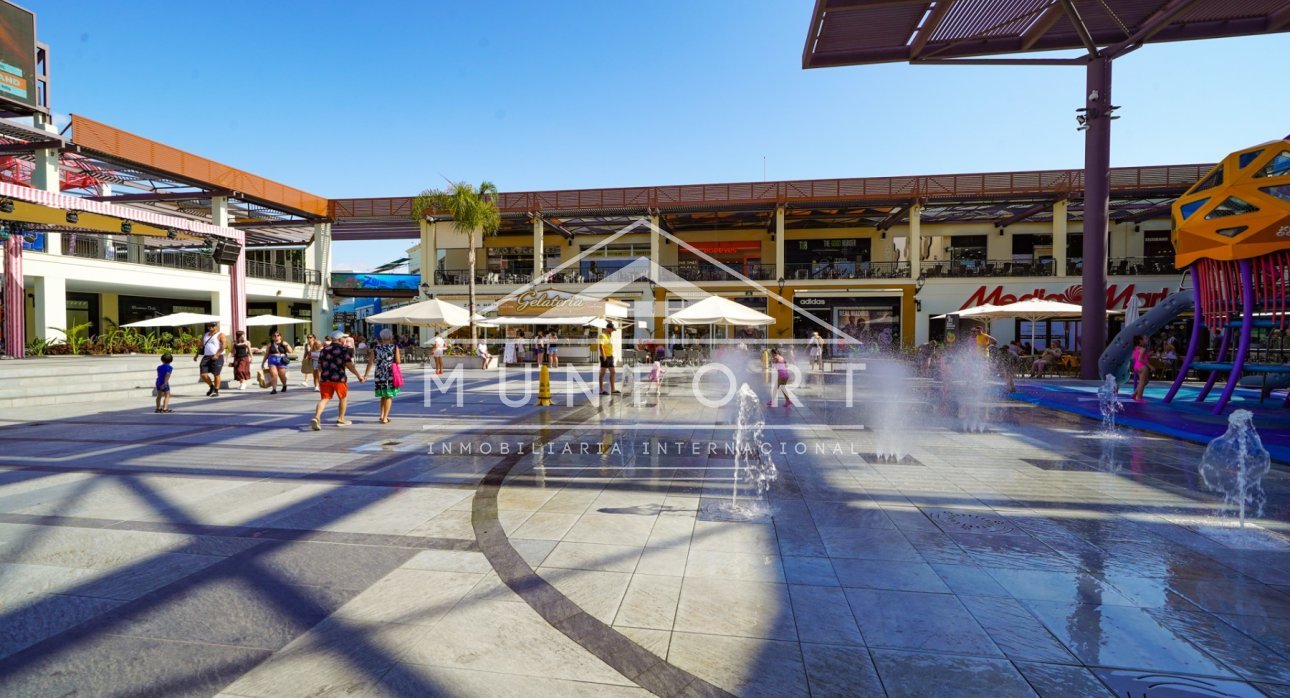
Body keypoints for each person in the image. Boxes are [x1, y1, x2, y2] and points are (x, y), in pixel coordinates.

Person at [311, 330, 363, 430]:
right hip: (339, 378)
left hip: (325, 378)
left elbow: (319, 366)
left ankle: (316, 417)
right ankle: (341, 418)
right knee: (343, 398)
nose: (345, 340)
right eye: (344, 338)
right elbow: (349, 365)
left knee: (324, 399)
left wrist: (325, 372)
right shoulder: (343, 350)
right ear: (339, 340)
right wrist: (358, 376)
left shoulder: (324, 350)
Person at [364, 328, 402, 424]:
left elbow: (370, 362)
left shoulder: (376, 348)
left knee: (382, 394)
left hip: (379, 373)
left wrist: (366, 375)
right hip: (389, 373)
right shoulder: (394, 347)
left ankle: (381, 415)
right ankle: (385, 418)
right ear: (390, 337)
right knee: (388, 395)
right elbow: (398, 361)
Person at [194, 321, 226, 397]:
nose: (210, 327)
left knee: (216, 374)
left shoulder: (220, 334)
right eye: (209, 326)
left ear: (216, 326)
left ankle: (216, 390)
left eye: (212, 326)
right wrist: (196, 355)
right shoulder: (206, 335)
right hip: (207, 356)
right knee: (203, 374)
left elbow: (224, 345)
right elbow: (201, 346)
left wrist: (217, 355)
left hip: (217, 356)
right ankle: (211, 386)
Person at [262, 328, 294, 394]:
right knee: (274, 375)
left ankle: (284, 385)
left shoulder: (284, 343)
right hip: (272, 359)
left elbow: (290, 351)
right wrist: (263, 362)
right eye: (274, 336)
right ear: (272, 337)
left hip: (282, 360)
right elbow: (267, 354)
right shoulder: (270, 344)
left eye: (278, 335)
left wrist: (286, 345)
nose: (276, 337)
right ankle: (274, 389)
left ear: (280, 336)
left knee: (282, 375)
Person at [598, 322, 618, 395]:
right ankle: (601, 390)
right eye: (612, 329)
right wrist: (604, 356)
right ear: (608, 328)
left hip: (610, 356)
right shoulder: (601, 335)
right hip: (605, 356)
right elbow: (601, 346)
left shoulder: (608, 335)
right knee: (603, 373)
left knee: (613, 372)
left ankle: (613, 389)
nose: (612, 331)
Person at [1132, 335, 1151, 401]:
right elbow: (1140, 358)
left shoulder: (1135, 348)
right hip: (1142, 366)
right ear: (1140, 341)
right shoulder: (1143, 349)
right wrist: (1150, 366)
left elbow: (1133, 357)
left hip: (1136, 366)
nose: (1147, 340)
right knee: (1142, 382)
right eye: (1145, 339)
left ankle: (1135, 393)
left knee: (1146, 381)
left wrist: (1147, 355)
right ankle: (1139, 398)